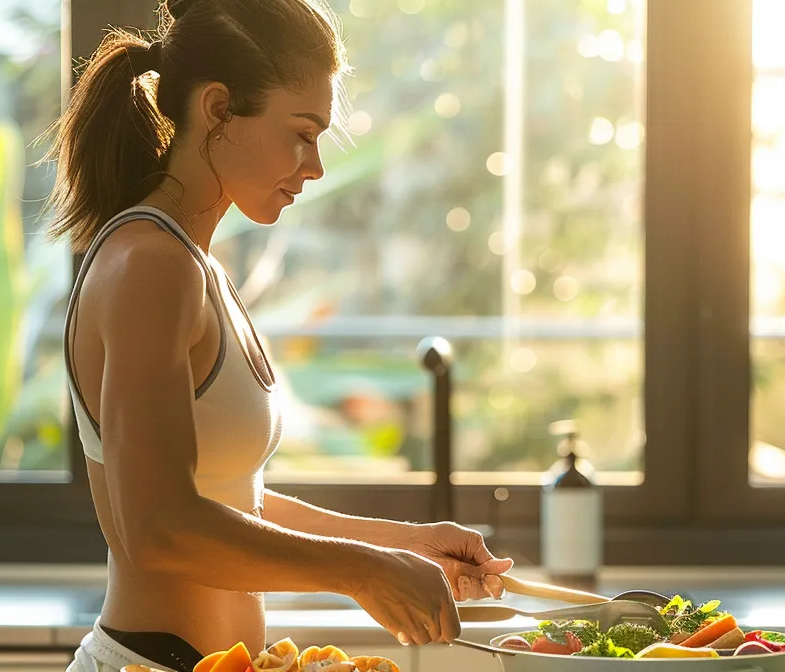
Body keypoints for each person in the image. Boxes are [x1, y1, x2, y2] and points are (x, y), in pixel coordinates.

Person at [43, 1, 511, 670]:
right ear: (217, 109)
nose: (315, 165)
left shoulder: (194, 263)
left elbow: (232, 499)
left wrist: (404, 547)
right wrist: (363, 573)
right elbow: (159, 528)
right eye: (302, 132)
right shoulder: (151, 266)